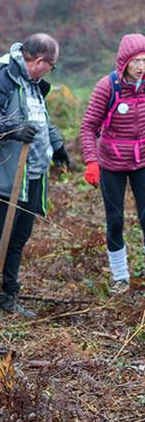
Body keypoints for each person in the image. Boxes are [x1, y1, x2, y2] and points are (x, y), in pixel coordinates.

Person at [0, 34, 66, 317]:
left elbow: (39, 118)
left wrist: (56, 145)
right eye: (51, 65)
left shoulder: (32, 84)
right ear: (40, 61)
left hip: (31, 175)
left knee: (18, 236)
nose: (50, 71)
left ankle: (7, 295)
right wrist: (13, 129)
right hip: (1, 171)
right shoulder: (0, 74)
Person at [80, 33, 145, 294]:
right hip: (112, 163)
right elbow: (87, 127)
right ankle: (120, 276)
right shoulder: (107, 86)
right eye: (136, 60)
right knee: (115, 219)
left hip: (143, 161)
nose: (142, 66)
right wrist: (91, 162)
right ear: (124, 62)